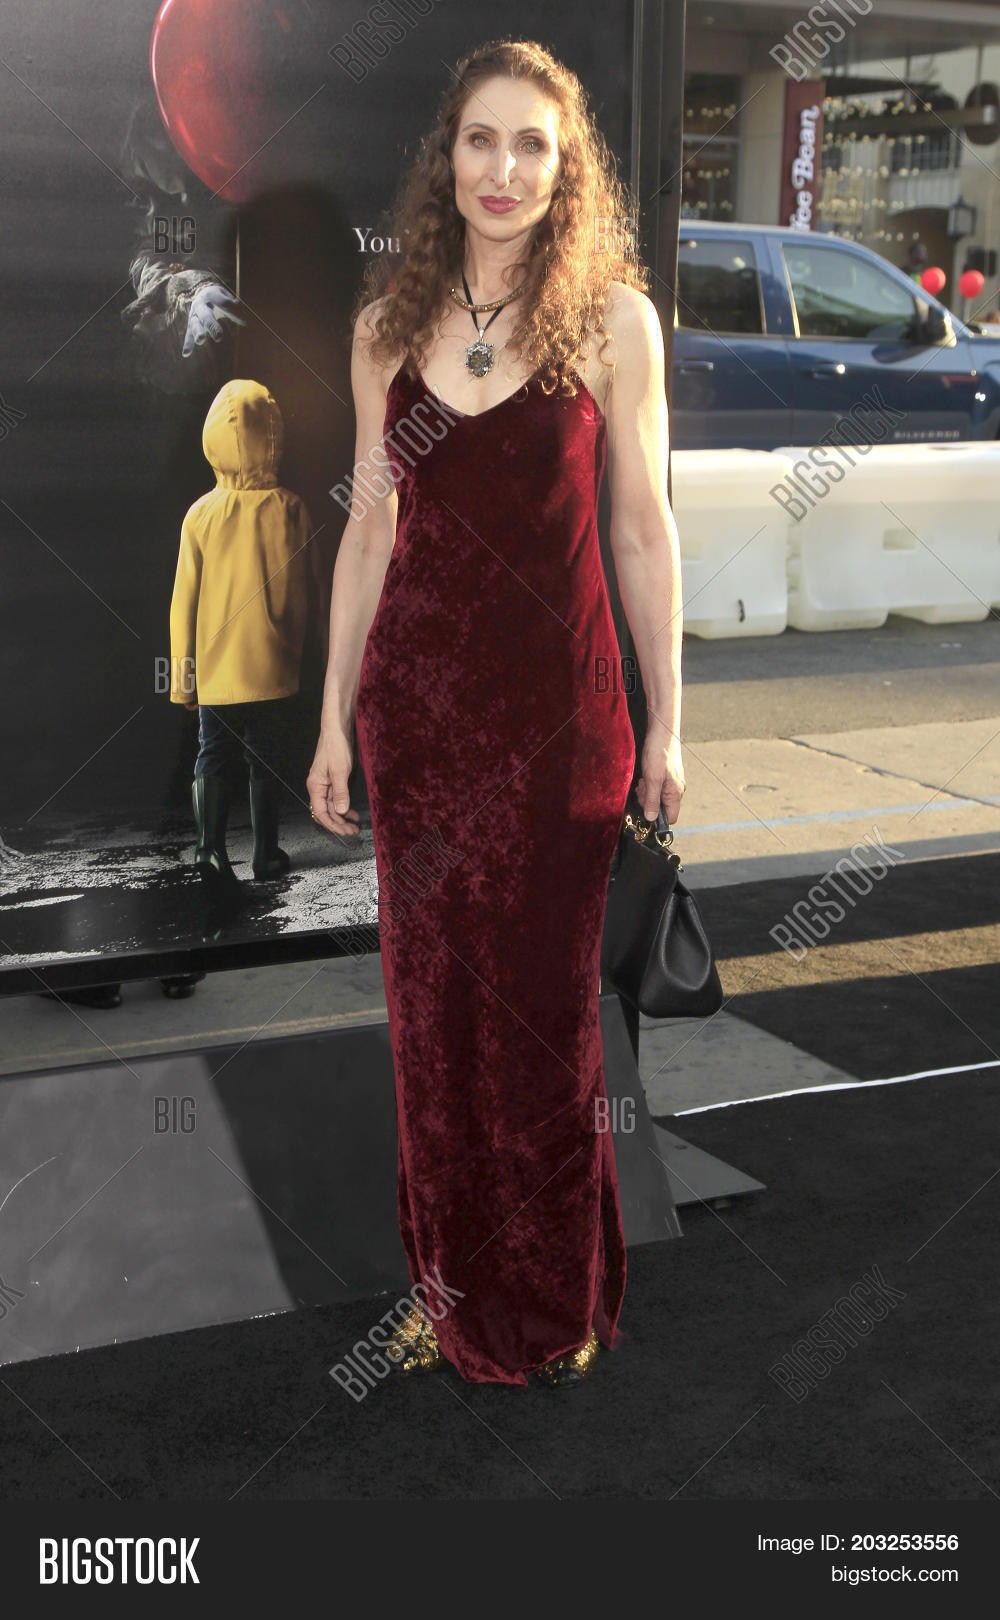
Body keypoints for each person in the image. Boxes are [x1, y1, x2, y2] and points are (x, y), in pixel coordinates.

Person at [307, 39, 684, 1389]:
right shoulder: (387, 328)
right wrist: (335, 716)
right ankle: (446, 1296)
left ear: (566, 167)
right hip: (418, 723)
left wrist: (670, 723)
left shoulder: (614, 324)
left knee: (542, 1022)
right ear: (448, 158)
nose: (505, 169)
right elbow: (369, 533)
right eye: (483, 139)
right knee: (432, 1022)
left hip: (563, 726)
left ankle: (551, 1299)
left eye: (534, 144)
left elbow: (641, 532)